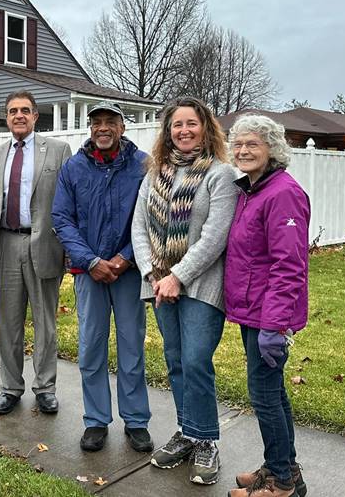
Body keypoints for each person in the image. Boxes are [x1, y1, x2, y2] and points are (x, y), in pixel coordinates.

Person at [131, 96, 237, 485]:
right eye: (177, 125)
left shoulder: (220, 174)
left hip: (201, 287)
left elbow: (215, 237)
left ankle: (207, 439)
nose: (184, 131)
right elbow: (138, 227)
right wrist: (151, 273)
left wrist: (177, 276)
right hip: (159, 286)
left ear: (206, 128)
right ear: (167, 131)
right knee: (175, 361)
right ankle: (187, 432)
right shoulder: (153, 173)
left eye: (192, 123)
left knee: (195, 362)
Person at [51, 101, 153, 453]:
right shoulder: (74, 168)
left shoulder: (142, 166)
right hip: (88, 273)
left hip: (128, 272)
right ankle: (96, 420)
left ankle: (136, 420)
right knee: (91, 347)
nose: (103, 128)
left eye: (111, 122)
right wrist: (91, 260)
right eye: (97, 122)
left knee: (131, 347)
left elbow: (149, 219)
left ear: (122, 128)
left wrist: (125, 258)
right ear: (90, 128)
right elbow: (61, 219)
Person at [225, 115, 310, 497]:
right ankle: (283, 468)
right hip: (253, 311)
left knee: (264, 395)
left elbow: (289, 265)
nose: (243, 151)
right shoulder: (252, 189)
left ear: (273, 149)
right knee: (272, 393)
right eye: (238, 144)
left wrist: (274, 328)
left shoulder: (282, 193)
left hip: (268, 317)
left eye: (253, 145)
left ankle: (281, 482)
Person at [0, 90, 71, 416]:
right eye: (12, 111)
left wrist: (68, 249)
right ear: (6, 117)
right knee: (8, 322)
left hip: (44, 245)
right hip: (6, 244)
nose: (19, 116)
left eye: (25, 111)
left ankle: (45, 388)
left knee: (45, 323)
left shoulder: (59, 151)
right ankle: (10, 387)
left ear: (35, 116)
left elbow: (67, 204)